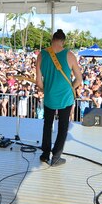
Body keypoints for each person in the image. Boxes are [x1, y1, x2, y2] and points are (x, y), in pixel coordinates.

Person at [36, 29, 82, 166]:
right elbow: (79, 79)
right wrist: (71, 88)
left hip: (49, 96)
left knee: (47, 125)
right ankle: (56, 157)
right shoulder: (70, 55)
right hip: (66, 98)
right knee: (62, 127)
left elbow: (38, 82)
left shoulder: (42, 55)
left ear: (52, 39)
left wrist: (47, 89)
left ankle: (45, 154)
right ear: (63, 41)